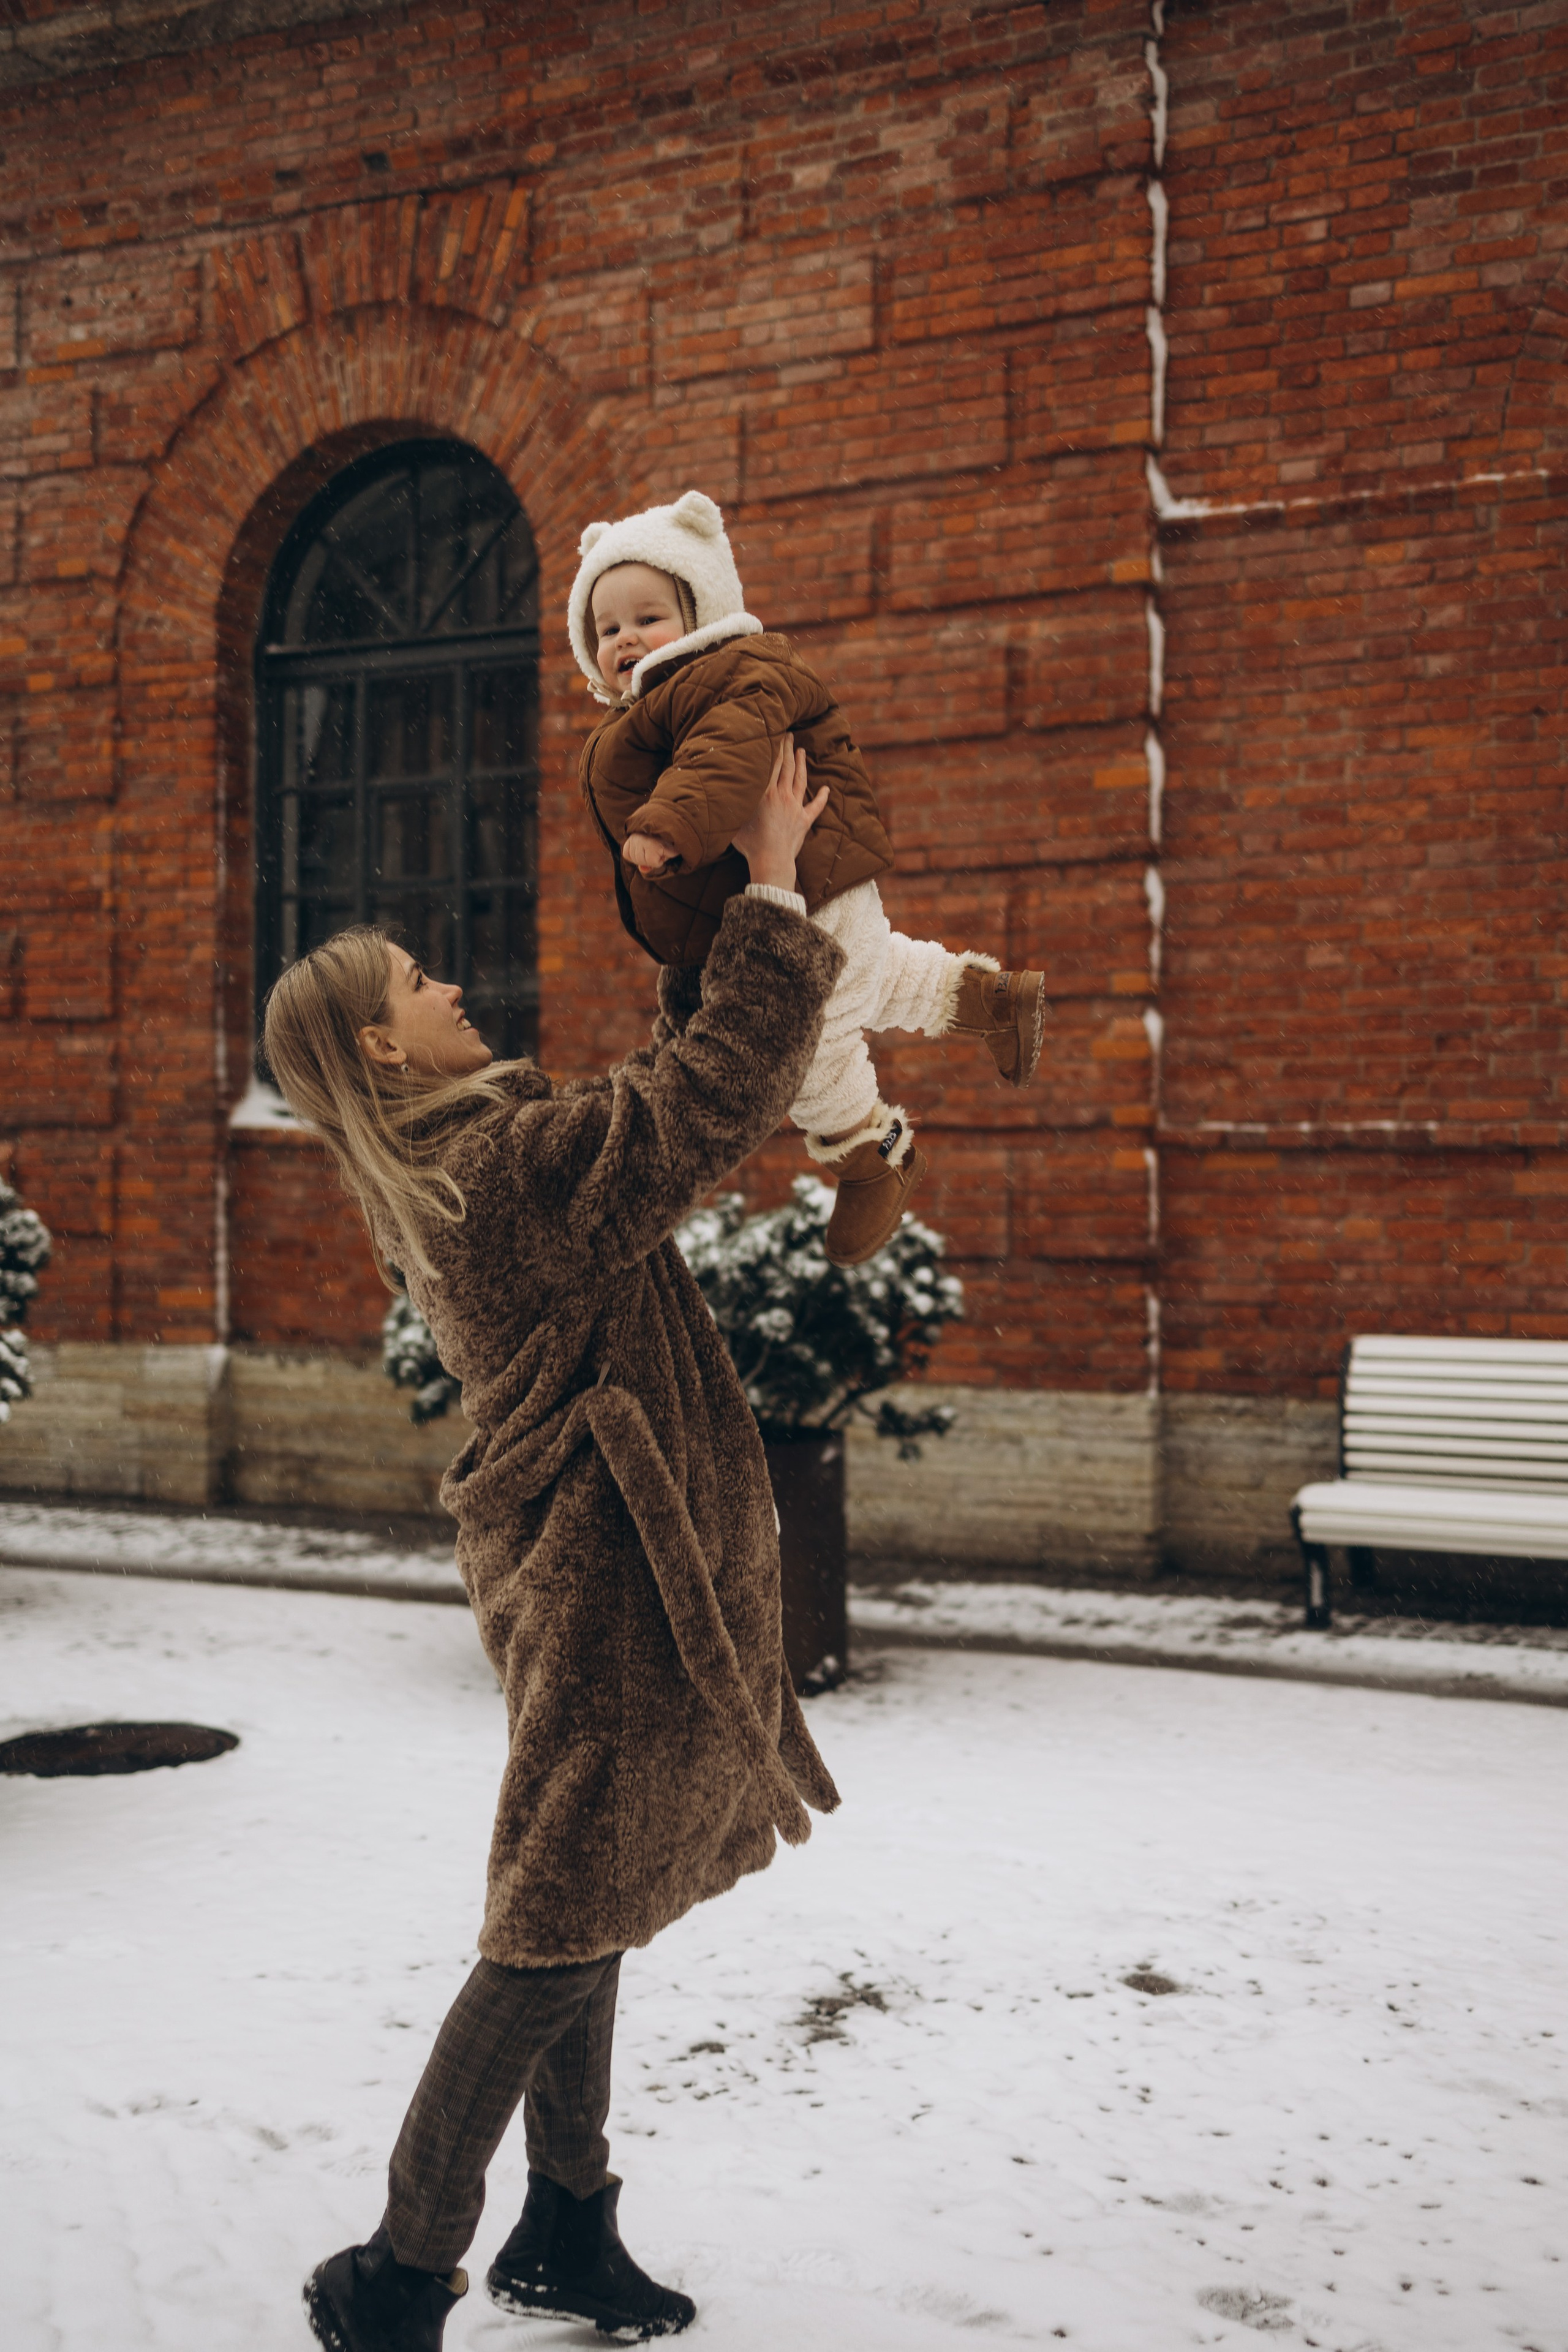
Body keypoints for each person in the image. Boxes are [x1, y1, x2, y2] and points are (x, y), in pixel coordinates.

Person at [263, 743, 845, 2352]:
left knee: (589, 1901)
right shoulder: (499, 1170)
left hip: (588, 1574)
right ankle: (392, 2274)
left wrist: (699, 929)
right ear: (386, 1040)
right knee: (547, 1932)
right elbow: (704, 1103)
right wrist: (778, 893)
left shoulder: (485, 1155)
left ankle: (567, 2228)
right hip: (604, 1587)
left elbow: (647, 1112)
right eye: (420, 980)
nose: (452, 985)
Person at [572, 488, 1049, 1268]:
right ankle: (993, 1000)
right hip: (793, 888)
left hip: (804, 882)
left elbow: (725, 755)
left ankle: (870, 1153)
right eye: (607, 627)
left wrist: (668, 828)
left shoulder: (726, 674)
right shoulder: (648, 708)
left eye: (647, 617)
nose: (626, 637)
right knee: (875, 974)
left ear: (702, 611)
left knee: (804, 1033)